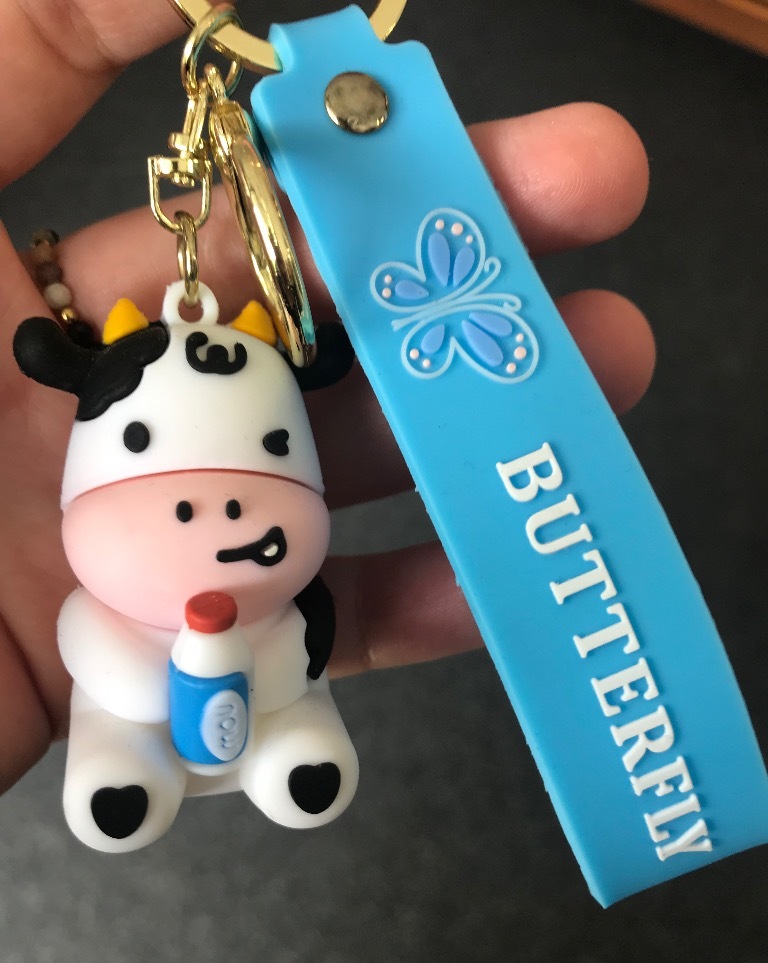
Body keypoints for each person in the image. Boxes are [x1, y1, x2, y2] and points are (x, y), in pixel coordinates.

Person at [0, 0, 654, 796]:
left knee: (298, 718)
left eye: (273, 449)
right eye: (140, 449)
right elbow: (92, 648)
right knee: (119, 728)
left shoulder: (280, 604)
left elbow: (297, 652)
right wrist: (141, 683)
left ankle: (294, 766)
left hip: (266, 687)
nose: (222, 508)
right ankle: (123, 781)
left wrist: (274, 667)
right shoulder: (99, 614)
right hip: (129, 704)